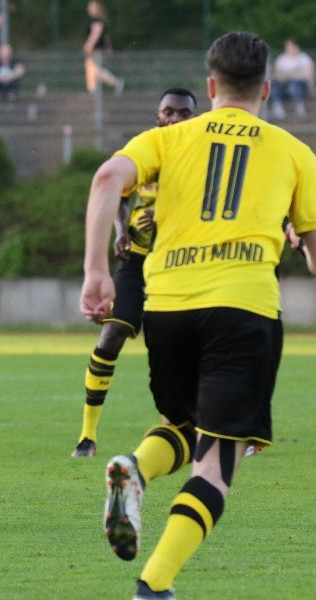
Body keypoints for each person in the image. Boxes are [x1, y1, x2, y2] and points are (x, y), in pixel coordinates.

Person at [80, 31, 316, 600]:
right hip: (243, 309)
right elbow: (311, 242)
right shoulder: (294, 151)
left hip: (169, 309)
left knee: (187, 427)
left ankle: (135, 468)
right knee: (219, 461)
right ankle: (154, 584)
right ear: (266, 89)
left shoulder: (170, 137)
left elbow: (108, 177)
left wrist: (95, 272)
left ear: (210, 87)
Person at [71, 88, 197, 458]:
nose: (174, 118)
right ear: (157, 116)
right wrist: (121, 231)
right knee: (111, 336)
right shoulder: (146, 152)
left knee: (187, 346)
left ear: (195, 116)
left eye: (183, 112)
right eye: (168, 111)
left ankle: (184, 426)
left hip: (182, 265)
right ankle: (87, 436)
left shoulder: (202, 158)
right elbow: (119, 194)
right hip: (137, 264)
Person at [82, 0, 123, 96]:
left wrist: (88, 46)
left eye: (92, 7)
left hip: (97, 50)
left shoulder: (96, 20)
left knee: (95, 69)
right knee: (91, 68)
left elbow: (95, 34)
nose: (89, 9)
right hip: (98, 49)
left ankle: (116, 83)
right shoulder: (99, 20)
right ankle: (93, 90)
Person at [267, 38, 314, 120]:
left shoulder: (304, 58)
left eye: (290, 46)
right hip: (283, 86)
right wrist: (293, 74)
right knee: (273, 87)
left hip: (301, 86)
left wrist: (289, 75)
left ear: (296, 47)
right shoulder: (281, 58)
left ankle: (299, 107)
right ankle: (278, 109)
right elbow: (277, 74)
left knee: (293, 85)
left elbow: (307, 74)